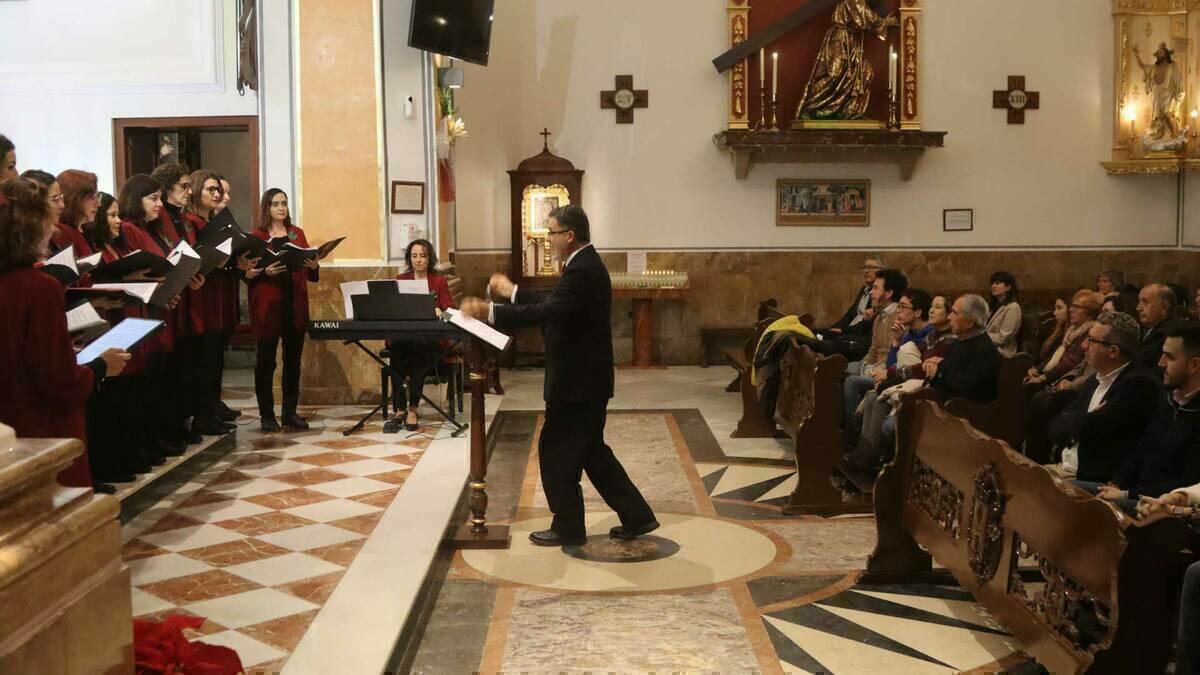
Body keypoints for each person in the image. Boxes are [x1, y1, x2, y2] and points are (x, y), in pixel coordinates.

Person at [459, 204, 657, 548]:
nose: (547, 239)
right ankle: (637, 515)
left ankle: (568, 527)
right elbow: (557, 301)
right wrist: (514, 292)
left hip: (577, 383)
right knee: (591, 451)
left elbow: (551, 310)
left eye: (550, 233)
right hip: (585, 381)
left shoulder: (583, 270)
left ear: (569, 235)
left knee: (556, 451)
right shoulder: (583, 265)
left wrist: (490, 310)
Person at [0, 176, 129, 489]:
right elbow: (59, 379)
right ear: (33, 227)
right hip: (41, 423)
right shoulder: (38, 287)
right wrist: (100, 366)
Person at [1074, 324, 1200, 514]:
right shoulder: (1168, 398)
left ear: (1194, 365)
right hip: (1134, 492)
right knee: (1061, 488)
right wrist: (1116, 483)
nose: (1160, 362)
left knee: (1085, 507)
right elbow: (1142, 449)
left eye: (1170, 357)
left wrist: (1127, 494)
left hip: (1163, 507)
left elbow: (1187, 481)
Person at [1048, 311, 1162, 482]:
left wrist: (1076, 421)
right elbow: (1055, 429)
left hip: (1089, 480)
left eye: (1092, 340)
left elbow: (1096, 431)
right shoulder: (1094, 381)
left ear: (1113, 351)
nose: (1084, 346)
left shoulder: (1139, 385)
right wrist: (1084, 420)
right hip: (1064, 467)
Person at [247, 188, 318, 432]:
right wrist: (264, 272)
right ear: (266, 207)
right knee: (266, 362)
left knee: (292, 362)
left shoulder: (296, 233)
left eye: (284, 203)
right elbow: (248, 273)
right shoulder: (256, 235)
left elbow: (310, 271)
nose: (281, 207)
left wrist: (313, 264)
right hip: (268, 306)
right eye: (276, 203)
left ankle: (289, 412)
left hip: (294, 304)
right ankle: (267, 415)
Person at [1021, 290, 1101, 463]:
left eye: (1077, 307)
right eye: (1071, 306)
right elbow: (1056, 357)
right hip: (1062, 378)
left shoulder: (1089, 332)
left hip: (1076, 385)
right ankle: (1024, 446)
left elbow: (1071, 363)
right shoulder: (1073, 331)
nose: (1071, 310)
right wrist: (1038, 368)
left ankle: (1036, 458)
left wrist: (1045, 378)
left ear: (1089, 312)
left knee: (1039, 399)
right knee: (1027, 387)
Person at [390, 239, 454, 431]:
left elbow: (451, 310)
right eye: (414, 256)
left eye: (423, 256)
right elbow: (393, 308)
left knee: (419, 352)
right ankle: (399, 408)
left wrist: (440, 312)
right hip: (405, 337)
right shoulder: (401, 280)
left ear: (429, 258)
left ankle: (412, 408)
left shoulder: (438, 281)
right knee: (397, 350)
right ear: (410, 259)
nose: (418, 260)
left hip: (429, 340)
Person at [841, 268, 906, 444]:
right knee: (839, 369)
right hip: (874, 366)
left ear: (889, 293)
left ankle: (852, 435)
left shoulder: (897, 318)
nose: (872, 293)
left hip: (887, 371)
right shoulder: (879, 318)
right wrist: (865, 366)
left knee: (851, 381)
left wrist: (871, 370)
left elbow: (895, 355)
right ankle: (839, 426)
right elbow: (873, 350)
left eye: (876, 288)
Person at [823, 255, 883, 360]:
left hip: (859, 334)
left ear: (882, 271)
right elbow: (849, 315)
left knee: (831, 340)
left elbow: (866, 326)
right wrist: (836, 327)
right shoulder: (864, 290)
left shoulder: (879, 295)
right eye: (865, 267)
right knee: (822, 333)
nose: (866, 271)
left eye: (871, 267)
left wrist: (842, 331)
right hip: (849, 329)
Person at [54, 169, 100, 257]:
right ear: (74, 198)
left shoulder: (83, 232)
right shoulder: (62, 233)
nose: (98, 204)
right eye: (92, 197)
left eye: (97, 196)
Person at [1136, 283, 1177, 373]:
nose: (1138, 308)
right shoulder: (1143, 331)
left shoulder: (1170, 335)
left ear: (1164, 307)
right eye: (1139, 302)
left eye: (1145, 302)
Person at [985, 271, 1022, 357]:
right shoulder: (995, 306)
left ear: (1008, 287)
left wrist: (980, 336)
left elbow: (1002, 338)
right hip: (989, 348)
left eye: (997, 283)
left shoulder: (1013, 307)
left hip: (1002, 352)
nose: (993, 286)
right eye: (992, 284)